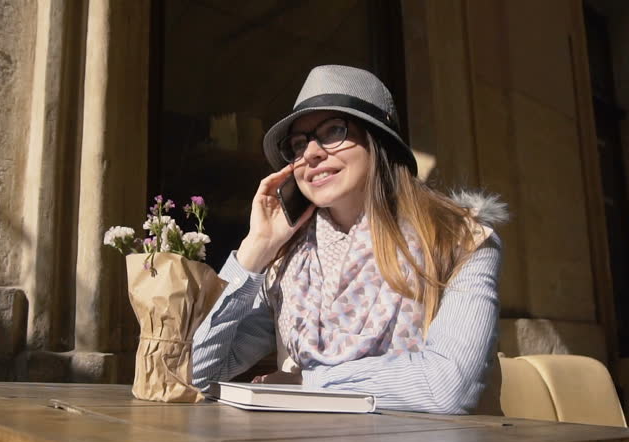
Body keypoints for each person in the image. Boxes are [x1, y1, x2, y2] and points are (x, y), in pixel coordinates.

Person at [191, 65, 507, 414]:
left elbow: (448, 387)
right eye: (298, 144)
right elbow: (200, 374)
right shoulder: (290, 264)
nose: (310, 153)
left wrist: (307, 383)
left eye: (333, 131)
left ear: (379, 142)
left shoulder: (460, 240)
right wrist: (255, 250)